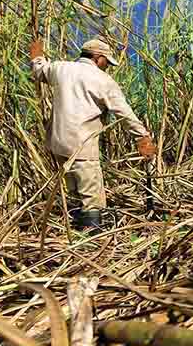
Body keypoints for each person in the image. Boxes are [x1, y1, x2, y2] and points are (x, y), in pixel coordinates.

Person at [30, 37, 156, 229]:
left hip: (57, 144)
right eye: (106, 62)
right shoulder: (102, 79)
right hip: (82, 145)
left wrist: (37, 53)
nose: (107, 67)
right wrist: (142, 136)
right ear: (98, 58)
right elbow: (124, 113)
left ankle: (74, 231)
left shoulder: (59, 68)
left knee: (73, 191)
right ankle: (91, 240)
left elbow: (39, 70)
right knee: (92, 198)